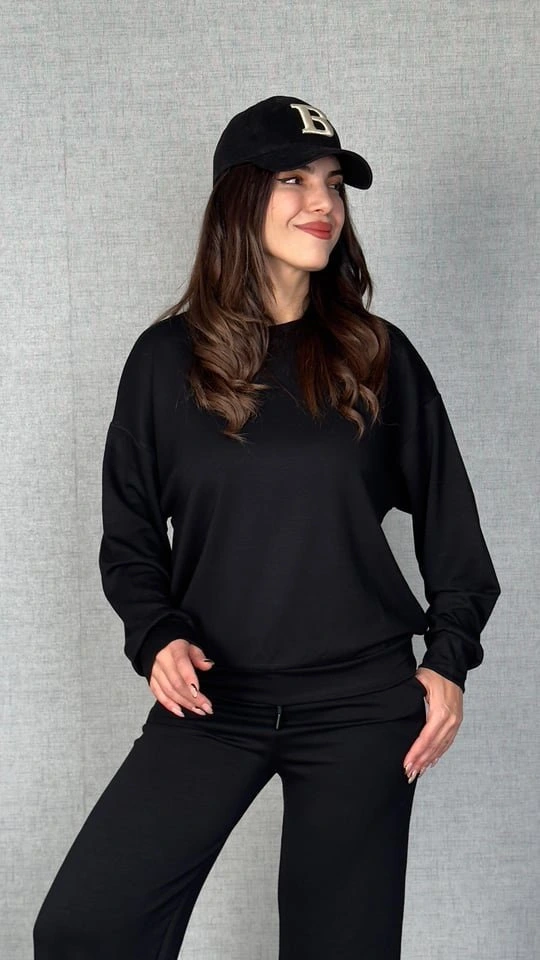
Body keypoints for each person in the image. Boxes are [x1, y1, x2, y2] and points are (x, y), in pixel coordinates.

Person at [33, 95, 501, 959]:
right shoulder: (165, 362)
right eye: (293, 179)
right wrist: (156, 635)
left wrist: (448, 659)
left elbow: (455, 532)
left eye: (334, 183)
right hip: (217, 698)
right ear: (238, 199)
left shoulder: (377, 356)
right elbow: (129, 534)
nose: (322, 202)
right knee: (86, 927)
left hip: (362, 706)